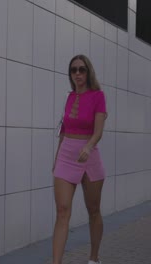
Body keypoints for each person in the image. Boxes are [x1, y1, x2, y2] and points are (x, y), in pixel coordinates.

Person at [51, 55, 107, 264]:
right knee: (62, 211)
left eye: (81, 69)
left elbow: (99, 131)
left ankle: (93, 258)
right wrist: (57, 158)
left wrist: (89, 146)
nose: (77, 73)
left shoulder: (98, 96)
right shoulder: (69, 97)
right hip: (66, 155)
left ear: (88, 71)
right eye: (73, 70)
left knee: (93, 210)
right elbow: (63, 131)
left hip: (88, 155)